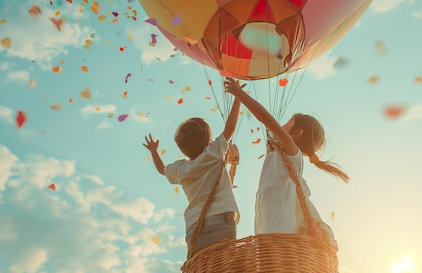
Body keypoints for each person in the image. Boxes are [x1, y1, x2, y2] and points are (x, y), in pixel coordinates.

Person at [224, 78, 348, 249]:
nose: (283, 123)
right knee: (269, 256)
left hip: (280, 217)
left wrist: (240, 94)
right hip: (269, 212)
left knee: (275, 251)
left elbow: (267, 120)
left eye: (289, 121)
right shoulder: (279, 153)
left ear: (297, 133)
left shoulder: (292, 151)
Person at [143, 91, 242, 256]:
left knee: (205, 270)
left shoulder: (181, 169)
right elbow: (230, 128)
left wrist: (154, 151)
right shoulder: (214, 152)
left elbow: (161, 169)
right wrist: (238, 97)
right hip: (220, 220)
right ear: (208, 139)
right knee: (225, 264)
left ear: (182, 149)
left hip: (194, 228)